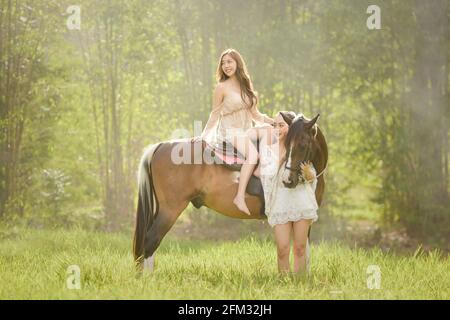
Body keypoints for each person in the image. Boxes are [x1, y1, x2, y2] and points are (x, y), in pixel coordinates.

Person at [198, 48, 274, 215]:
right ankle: (239, 197)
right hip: (230, 132)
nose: (226, 65)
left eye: (229, 62)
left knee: (269, 130)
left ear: (238, 63)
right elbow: (215, 114)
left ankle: (261, 169)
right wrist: (204, 136)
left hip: (246, 130)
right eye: (223, 63)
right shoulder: (221, 88)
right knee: (253, 155)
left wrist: (273, 122)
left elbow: (256, 115)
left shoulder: (246, 85)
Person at [247, 111, 319, 275]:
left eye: (281, 125)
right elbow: (262, 174)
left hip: (301, 200)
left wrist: (309, 175)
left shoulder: (298, 144)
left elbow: (311, 174)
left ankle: (300, 283)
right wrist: (280, 160)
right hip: (280, 201)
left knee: (300, 247)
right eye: (274, 125)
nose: (277, 129)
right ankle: (284, 282)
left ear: (291, 127)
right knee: (282, 248)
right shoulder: (269, 149)